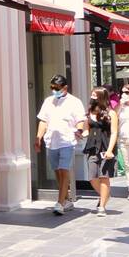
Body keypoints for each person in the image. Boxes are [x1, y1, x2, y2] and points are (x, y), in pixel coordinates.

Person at [36, 73, 86, 215]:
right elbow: (43, 120)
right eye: (52, 87)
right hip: (51, 141)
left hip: (66, 141)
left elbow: (80, 119)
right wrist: (38, 137)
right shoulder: (48, 101)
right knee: (57, 171)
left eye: (57, 88)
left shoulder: (74, 102)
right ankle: (66, 198)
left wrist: (79, 130)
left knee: (64, 170)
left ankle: (60, 202)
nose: (54, 90)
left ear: (65, 88)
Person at [81, 87, 118, 215]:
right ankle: (105, 194)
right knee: (92, 177)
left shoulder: (111, 113)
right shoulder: (89, 112)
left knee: (104, 176)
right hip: (92, 147)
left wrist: (110, 150)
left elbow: (114, 133)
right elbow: (86, 129)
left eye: (95, 95)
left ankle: (101, 206)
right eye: (92, 94)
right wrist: (81, 133)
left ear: (102, 97)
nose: (92, 97)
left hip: (106, 147)